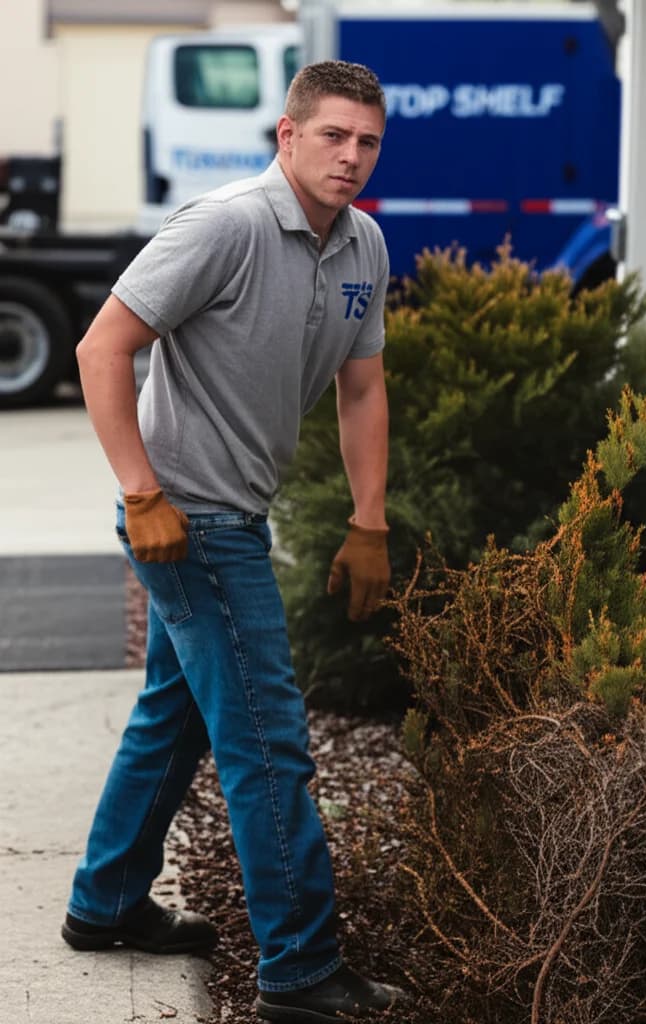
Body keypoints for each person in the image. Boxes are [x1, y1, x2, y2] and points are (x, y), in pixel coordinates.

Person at [61, 60, 406, 1022]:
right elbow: (102, 348)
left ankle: (107, 903)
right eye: (332, 135)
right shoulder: (228, 225)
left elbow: (363, 385)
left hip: (237, 512)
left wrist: (367, 519)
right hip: (191, 521)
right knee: (268, 741)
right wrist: (141, 495)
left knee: (175, 718)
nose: (350, 156)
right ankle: (300, 971)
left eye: (367, 141)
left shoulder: (363, 246)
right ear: (286, 136)